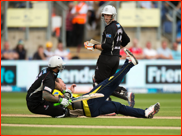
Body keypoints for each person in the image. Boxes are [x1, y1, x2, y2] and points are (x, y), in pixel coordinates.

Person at [53, 49, 160, 118]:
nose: (64, 84)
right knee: (110, 83)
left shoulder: (62, 93)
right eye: (62, 82)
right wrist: (66, 94)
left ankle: (145, 113)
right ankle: (129, 63)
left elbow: (67, 103)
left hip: (91, 111)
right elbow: (58, 102)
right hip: (88, 103)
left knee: (118, 107)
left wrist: (69, 93)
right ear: (56, 83)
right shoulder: (55, 93)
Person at [84, 5, 133, 107]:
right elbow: (127, 40)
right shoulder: (118, 25)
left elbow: (107, 46)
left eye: (108, 15)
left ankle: (113, 99)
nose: (106, 17)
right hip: (115, 58)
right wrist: (117, 48)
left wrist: (92, 46)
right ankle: (124, 94)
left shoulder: (109, 27)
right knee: (108, 82)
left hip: (106, 58)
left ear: (113, 15)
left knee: (98, 82)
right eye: (105, 15)